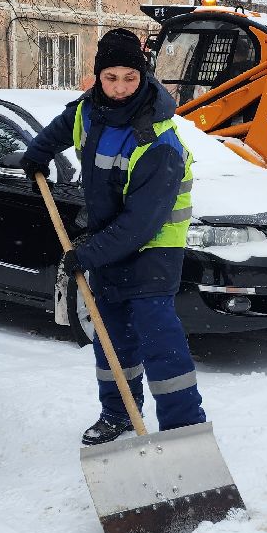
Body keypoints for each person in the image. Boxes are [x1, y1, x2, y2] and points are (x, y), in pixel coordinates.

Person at [20, 28, 206, 446]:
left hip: (155, 247)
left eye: (130, 78)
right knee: (110, 335)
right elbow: (62, 126)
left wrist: (89, 254)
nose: (120, 88)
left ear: (143, 77)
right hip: (109, 239)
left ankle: (184, 428)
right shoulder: (89, 110)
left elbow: (142, 223)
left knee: (159, 338)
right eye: (111, 77)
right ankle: (119, 414)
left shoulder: (159, 141)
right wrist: (37, 154)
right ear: (97, 78)